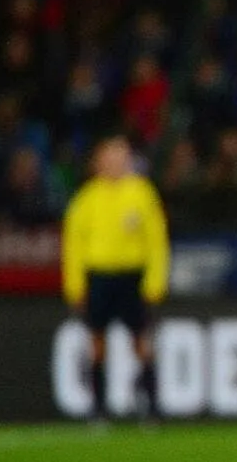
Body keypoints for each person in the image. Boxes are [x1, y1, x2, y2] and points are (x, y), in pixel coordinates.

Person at [62, 135, 169, 421]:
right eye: (109, 157)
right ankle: (98, 407)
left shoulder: (142, 193)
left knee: (142, 341)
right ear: (98, 163)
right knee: (97, 343)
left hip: (132, 276)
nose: (115, 163)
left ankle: (152, 405)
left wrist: (155, 280)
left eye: (120, 157)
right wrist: (75, 285)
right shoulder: (86, 199)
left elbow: (156, 241)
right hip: (99, 276)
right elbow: (73, 245)